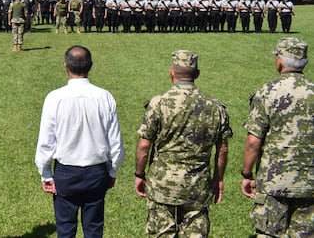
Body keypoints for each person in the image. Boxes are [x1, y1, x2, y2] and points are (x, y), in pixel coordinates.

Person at [134, 50, 232, 236]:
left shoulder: (158, 103)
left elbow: (144, 146)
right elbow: (222, 149)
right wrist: (218, 178)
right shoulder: (214, 106)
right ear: (197, 74)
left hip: (163, 183)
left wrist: (139, 173)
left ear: (172, 72)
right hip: (197, 184)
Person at [35, 45, 124, 238]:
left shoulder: (55, 98)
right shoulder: (104, 97)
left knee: (65, 229)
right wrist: (113, 170)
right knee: (94, 229)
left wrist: (45, 173)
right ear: (90, 66)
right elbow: (115, 142)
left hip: (66, 172)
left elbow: (46, 142)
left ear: (66, 67)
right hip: (96, 171)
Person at [241, 37, 314, 237]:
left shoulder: (268, 91)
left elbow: (253, 141)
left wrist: (247, 174)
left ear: (280, 61)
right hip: (309, 181)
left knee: (269, 233)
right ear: (305, 62)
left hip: (275, 181)